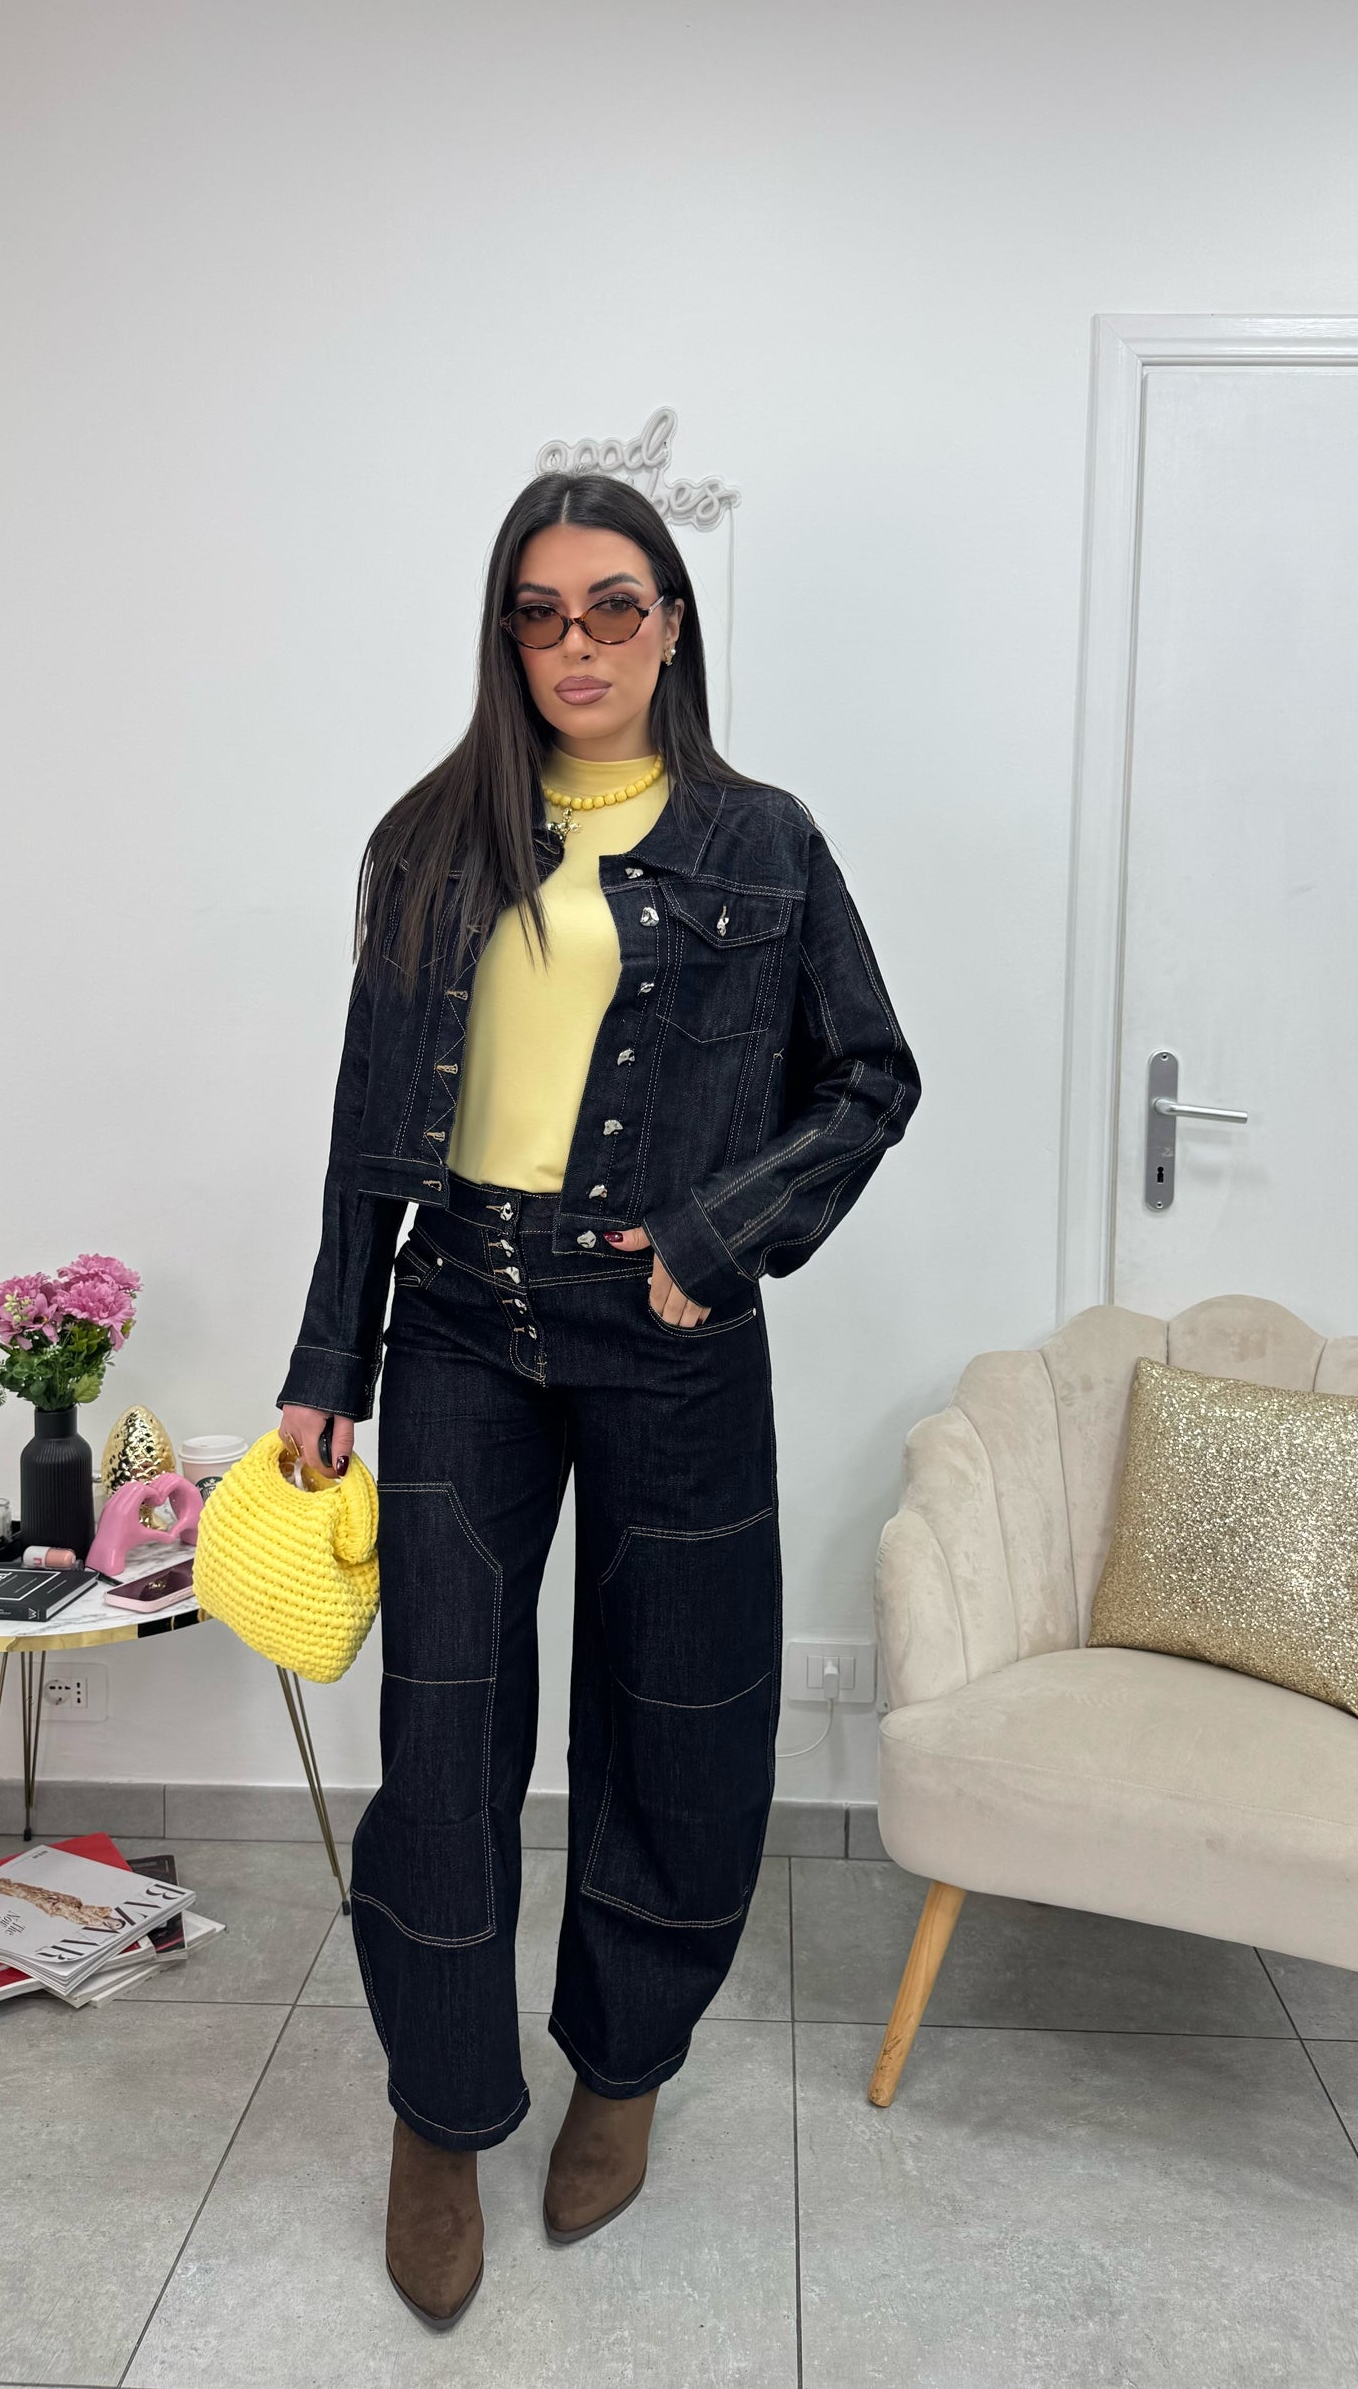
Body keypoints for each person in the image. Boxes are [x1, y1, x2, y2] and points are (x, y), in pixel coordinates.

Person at [278, 470, 920, 2326]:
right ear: (507, 634)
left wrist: (718, 1237)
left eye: (614, 606)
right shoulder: (430, 841)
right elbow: (365, 1126)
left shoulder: (761, 841)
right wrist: (330, 1358)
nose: (579, 644)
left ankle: (622, 2069)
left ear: (671, 625)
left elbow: (867, 1078)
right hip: (460, 1320)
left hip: (670, 1332)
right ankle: (439, 2111)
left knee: (679, 1722)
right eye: (542, 613)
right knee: (445, 1738)